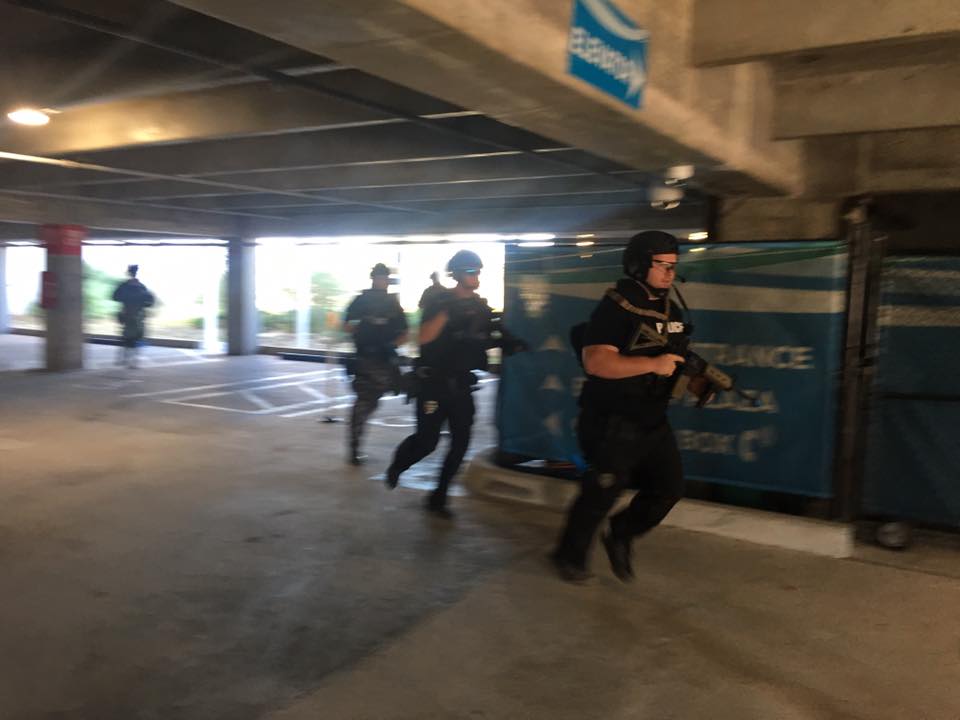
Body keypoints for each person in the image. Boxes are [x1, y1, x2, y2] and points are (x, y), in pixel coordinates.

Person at [552, 231, 689, 583]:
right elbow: (596, 362)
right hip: (612, 418)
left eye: (673, 266)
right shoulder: (616, 306)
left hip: (652, 418)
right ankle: (569, 557)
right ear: (639, 265)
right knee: (602, 492)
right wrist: (653, 365)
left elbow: (674, 355)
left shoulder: (670, 308)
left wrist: (697, 379)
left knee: (669, 488)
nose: (670, 273)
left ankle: (621, 533)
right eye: (662, 265)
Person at [385, 249, 526, 518]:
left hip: (461, 386)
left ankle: (438, 497)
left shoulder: (482, 308)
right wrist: (448, 314)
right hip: (433, 384)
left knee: (461, 444)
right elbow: (423, 338)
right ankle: (398, 465)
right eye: (471, 271)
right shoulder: (440, 302)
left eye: (478, 271)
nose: (476, 276)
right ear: (458, 274)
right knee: (427, 442)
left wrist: (509, 342)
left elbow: (491, 336)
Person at [343, 263, 408, 465]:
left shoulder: (384, 302)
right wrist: (368, 338)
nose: (382, 281)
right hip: (369, 359)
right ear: (375, 279)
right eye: (381, 278)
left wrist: (387, 344)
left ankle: (354, 445)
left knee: (368, 401)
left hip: (380, 359)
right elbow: (347, 325)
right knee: (366, 402)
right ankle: (354, 446)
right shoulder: (368, 300)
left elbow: (405, 333)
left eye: (383, 278)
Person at [112, 264, 155, 369]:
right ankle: (133, 361)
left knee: (126, 337)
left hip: (127, 313)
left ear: (129, 273)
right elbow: (150, 301)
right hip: (138, 315)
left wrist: (126, 299)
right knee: (136, 337)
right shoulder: (141, 287)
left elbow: (115, 297)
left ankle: (125, 359)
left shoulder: (124, 285)